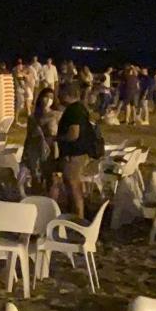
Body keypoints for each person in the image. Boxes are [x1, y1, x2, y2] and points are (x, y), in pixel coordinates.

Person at [55, 82, 93, 220]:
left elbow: (73, 134)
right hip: (79, 153)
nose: (57, 97)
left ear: (66, 94)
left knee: (73, 186)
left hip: (73, 155)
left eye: (60, 94)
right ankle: (76, 215)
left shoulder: (73, 110)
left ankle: (78, 218)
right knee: (74, 185)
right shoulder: (81, 108)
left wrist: (57, 138)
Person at [19, 87, 58, 197]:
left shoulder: (56, 115)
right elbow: (29, 136)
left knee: (49, 175)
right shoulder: (33, 117)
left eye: (51, 97)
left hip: (51, 148)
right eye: (46, 97)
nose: (48, 100)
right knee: (36, 175)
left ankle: (50, 200)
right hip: (35, 149)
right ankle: (36, 198)